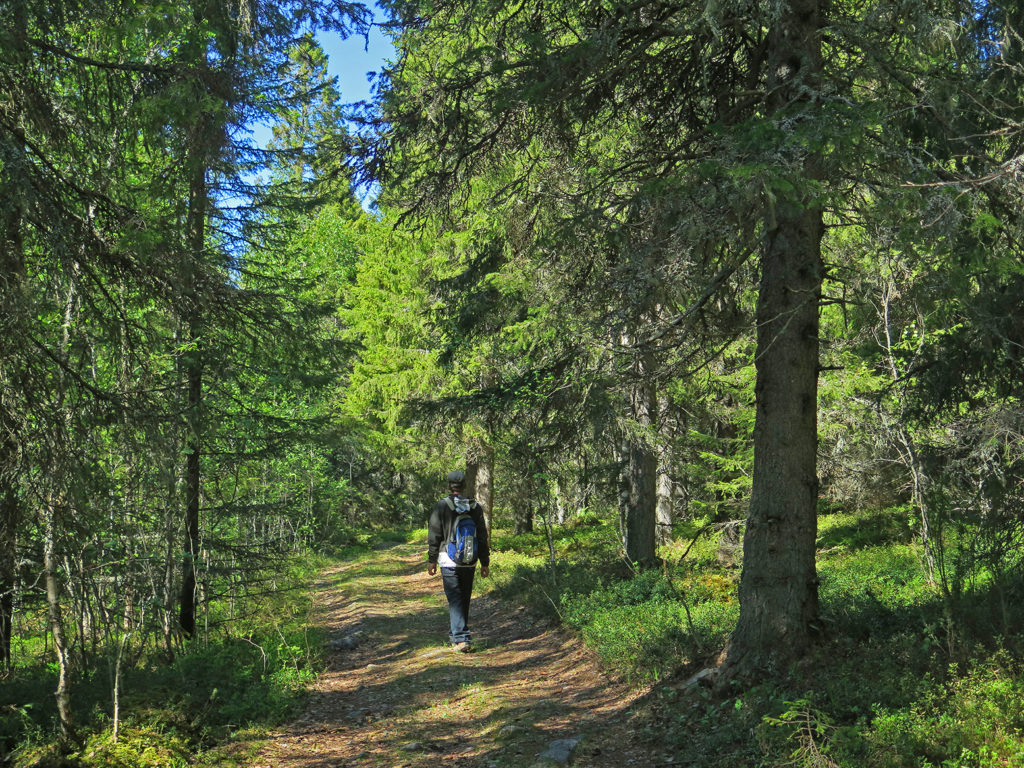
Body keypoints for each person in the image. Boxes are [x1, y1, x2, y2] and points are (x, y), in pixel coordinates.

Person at [427, 470, 490, 652]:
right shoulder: (474, 507)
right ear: (464, 486)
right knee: (464, 598)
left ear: (449, 486)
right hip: (469, 559)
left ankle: (461, 638)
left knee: (455, 599)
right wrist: (484, 562)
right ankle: (457, 635)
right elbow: (482, 536)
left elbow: (434, 534)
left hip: (448, 559)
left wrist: (432, 559)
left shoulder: (442, 506)